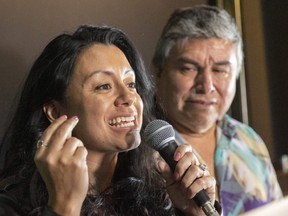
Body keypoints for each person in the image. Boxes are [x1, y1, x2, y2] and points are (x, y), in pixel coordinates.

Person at [0, 25, 219, 216]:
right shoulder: (12, 205)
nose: (128, 98)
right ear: (56, 112)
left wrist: (192, 213)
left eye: (131, 84)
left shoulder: (161, 194)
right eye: (103, 86)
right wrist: (63, 207)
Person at [151, 4, 283, 216]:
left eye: (220, 70)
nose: (207, 85)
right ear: (158, 72)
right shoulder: (133, 152)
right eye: (188, 68)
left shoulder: (248, 140)